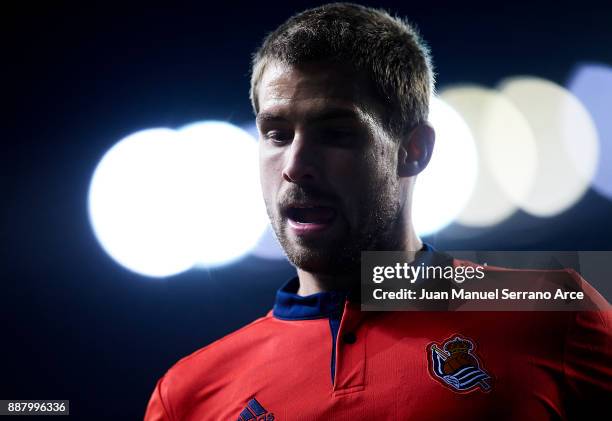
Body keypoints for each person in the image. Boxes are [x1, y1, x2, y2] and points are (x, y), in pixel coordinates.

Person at [144, 3, 611, 420]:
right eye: (277, 133)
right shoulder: (188, 394)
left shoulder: (551, 311)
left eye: (336, 133)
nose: (296, 167)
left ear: (414, 149)